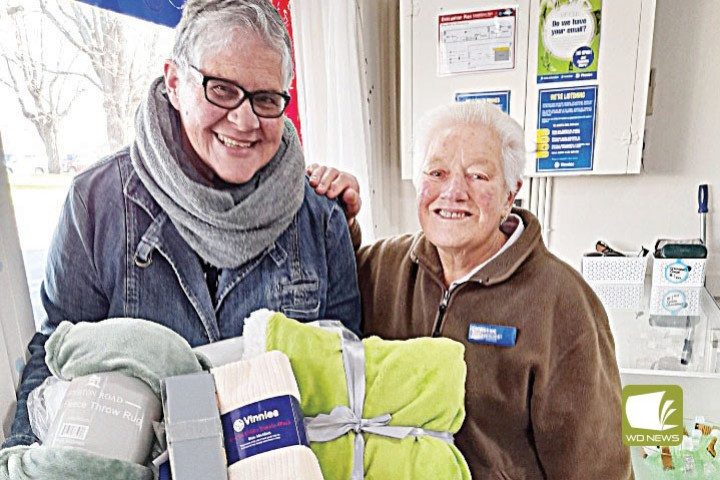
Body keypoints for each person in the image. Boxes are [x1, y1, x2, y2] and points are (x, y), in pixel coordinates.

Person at [4, 0, 360, 449]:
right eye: (222, 90)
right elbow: (56, 355)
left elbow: (347, 370)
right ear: (174, 82)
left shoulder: (322, 217)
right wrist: (18, 458)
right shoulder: (94, 204)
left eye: (267, 99)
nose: (245, 120)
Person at [308, 102, 632, 479]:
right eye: (437, 172)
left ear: (511, 195)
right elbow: (320, 303)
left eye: (478, 176)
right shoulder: (383, 268)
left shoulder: (562, 302)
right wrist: (335, 219)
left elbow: (597, 468)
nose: (453, 192)